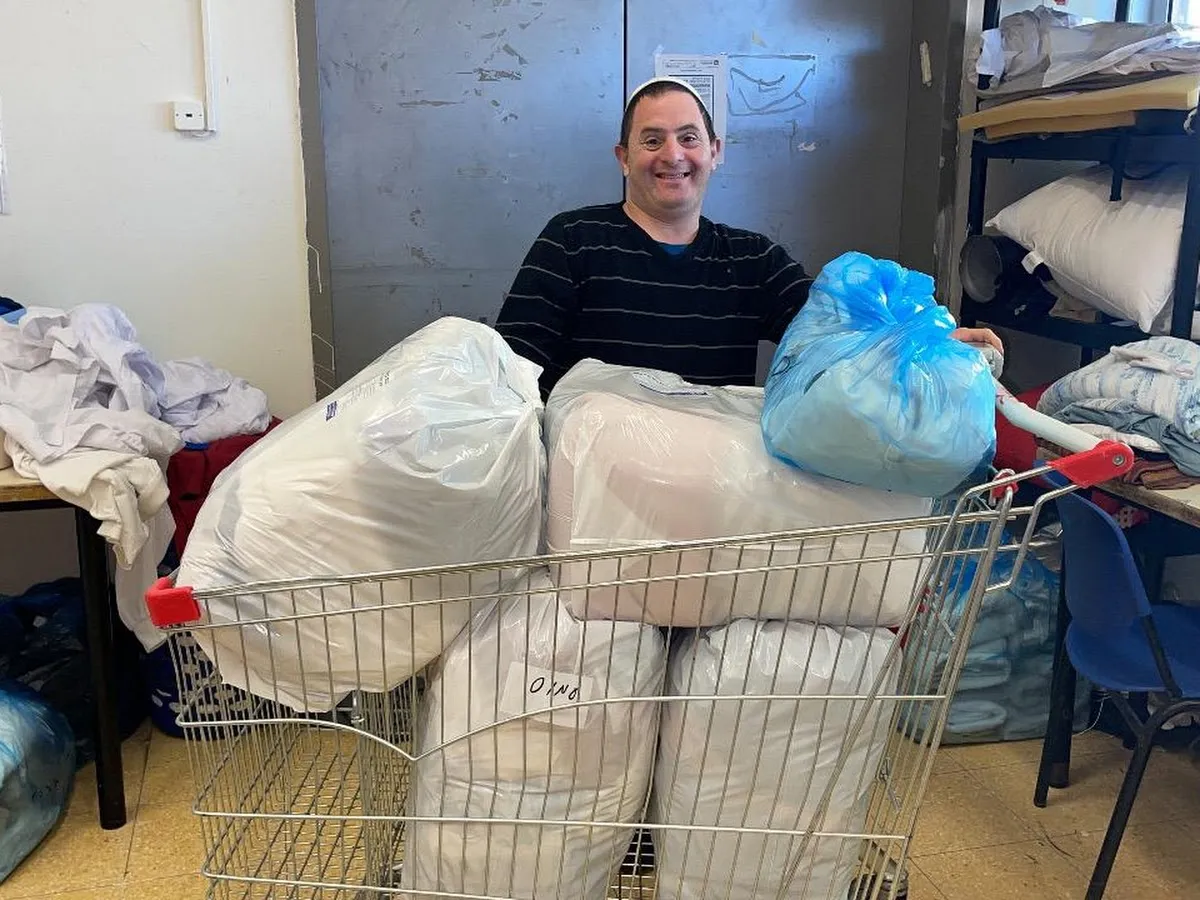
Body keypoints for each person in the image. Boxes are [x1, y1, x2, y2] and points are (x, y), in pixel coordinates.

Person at [495, 76, 1001, 397]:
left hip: (711, 489)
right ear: (624, 158)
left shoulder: (751, 259)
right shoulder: (573, 240)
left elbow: (839, 331)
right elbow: (511, 370)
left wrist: (928, 341)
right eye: (652, 140)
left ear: (714, 152)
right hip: (589, 483)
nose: (673, 155)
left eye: (689, 138)